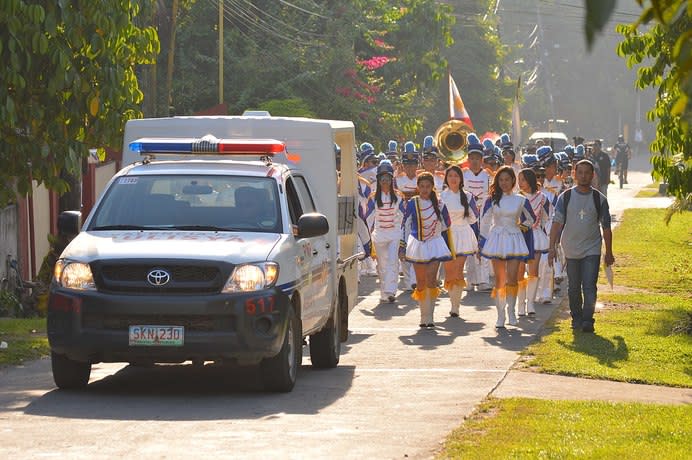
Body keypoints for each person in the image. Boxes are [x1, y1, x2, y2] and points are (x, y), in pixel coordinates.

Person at [548, 160, 614, 333]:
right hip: (570, 249)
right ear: (574, 174)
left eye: (587, 173)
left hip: (592, 248)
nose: (584, 176)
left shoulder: (599, 199)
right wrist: (551, 247)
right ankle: (576, 317)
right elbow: (556, 223)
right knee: (574, 287)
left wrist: (609, 252)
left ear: (592, 175)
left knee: (590, 285)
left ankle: (587, 320)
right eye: (580, 172)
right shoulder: (566, 197)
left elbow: (606, 227)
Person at [479, 166, 536, 328]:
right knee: (499, 279)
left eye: (507, 179)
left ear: (513, 181)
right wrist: (482, 241)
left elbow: (531, 219)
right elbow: (484, 220)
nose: (504, 183)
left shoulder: (521, 199)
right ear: (497, 181)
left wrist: (520, 227)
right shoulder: (491, 199)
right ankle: (500, 314)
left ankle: (511, 311)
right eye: (501, 179)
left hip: (514, 239)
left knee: (512, 278)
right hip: (496, 239)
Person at [402, 172, 453, 328]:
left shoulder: (440, 204)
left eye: (428, 186)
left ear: (432, 187)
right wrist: (403, 245)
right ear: (418, 187)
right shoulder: (412, 203)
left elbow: (447, 223)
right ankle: (423, 316)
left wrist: (435, 233)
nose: (424, 190)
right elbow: (405, 224)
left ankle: (430, 316)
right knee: (421, 281)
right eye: (422, 186)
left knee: (432, 278)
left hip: (435, 244)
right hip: (418, 244)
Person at [365, 161, 406, 303]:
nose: (384, 182)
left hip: (394, 234)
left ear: (391, 179)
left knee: (392, 262)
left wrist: (402, 238)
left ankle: (391, 291)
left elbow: (403, 219)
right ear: (378, 180)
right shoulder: (372, 198)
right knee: (382, 264)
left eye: (387, 179)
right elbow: (369, 219)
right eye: (382, 179)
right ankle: (384, 292)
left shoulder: (399, 197)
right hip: (379, 235)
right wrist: (367, 239)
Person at [440, 165, 479, 318]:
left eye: (456, 176)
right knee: (449, 272)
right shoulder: (441, 196)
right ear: (446, 178)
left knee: (458, 270)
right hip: (447, 235)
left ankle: (456, 307)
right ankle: (452, 302)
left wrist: (462, 221)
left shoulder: (468, 196)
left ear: (461, 179)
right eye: (450, 176)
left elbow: (474, 217)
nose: (453, 179)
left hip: (463, 233)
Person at [516, 168, 552, 316]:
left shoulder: (542, 197)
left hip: (535, 236)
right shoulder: (515, 197)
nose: (520, 183)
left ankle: (530, 303)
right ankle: (520, 304)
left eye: (523, 179)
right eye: (519, 180)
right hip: (518, 236)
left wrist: (541, 229)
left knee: (533, 271)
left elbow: (548, 216)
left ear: (530, 180)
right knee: (518, 272)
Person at [462, 134, 493, 292]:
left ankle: (483, 280)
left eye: (478, 158)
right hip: (468, 214)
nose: (475, 161)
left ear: (482, 159)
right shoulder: (463, 174)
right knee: (469, 246)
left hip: (484, 213)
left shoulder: (487, 175)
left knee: (484, 244)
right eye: (472, 157)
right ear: (468, 158)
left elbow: (491, 195)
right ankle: (470, 280)